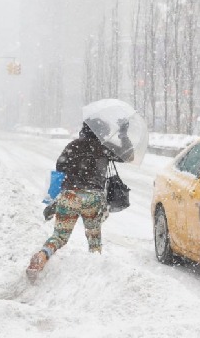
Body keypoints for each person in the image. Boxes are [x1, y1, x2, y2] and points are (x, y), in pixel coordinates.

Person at [26, 118, 133, 281]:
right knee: (94, 238)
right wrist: (123, 134)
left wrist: (57, 199)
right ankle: (94, 276)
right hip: (93, 198)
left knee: (59, 236)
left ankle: (43, 255)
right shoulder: (103, 148)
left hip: (69, 196)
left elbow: (59, 170)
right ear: (101, 133)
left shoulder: (72, 146)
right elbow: (128, 155)